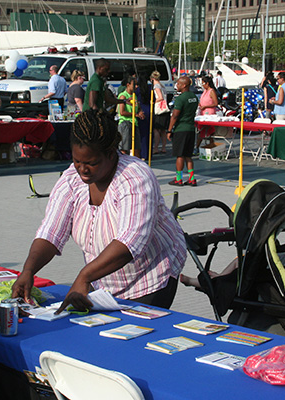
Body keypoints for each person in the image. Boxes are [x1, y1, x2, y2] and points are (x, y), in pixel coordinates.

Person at [11, 109, 186, 311]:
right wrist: (28, 270)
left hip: (151, 275)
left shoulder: (135, 178)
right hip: (103, 278)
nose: (82, 169)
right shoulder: (71, 180)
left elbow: (131, 241)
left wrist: (84, 276)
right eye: (77, 161)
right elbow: (50, 232)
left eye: (91, 163)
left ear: (111, 155)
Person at [167, 76, 199, 186]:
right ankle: (192, 178)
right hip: (191, 128)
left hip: (181, 129)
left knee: (179, 155)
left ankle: (178, 178)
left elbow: (175, 115)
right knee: (188, 155)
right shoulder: (194, 97)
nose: (177, 85)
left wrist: (169, 130)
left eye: (179, 84)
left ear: (184, 85)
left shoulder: (180, 99)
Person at [117, 76, 145, 157]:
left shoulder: (134, 96)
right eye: (134, 85)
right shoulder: (123, 96)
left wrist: (140, 112)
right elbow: (122, 112)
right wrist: (135, 114)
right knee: (125, 148)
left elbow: (138, 107)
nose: (136, 86)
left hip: (134, 123)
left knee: (137, 148)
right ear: (128, 84)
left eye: (137, 84)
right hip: (125, 123)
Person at [195, 76, 219, 153]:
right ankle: (197, 147)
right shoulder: (204, 91)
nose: (203, 85)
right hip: (203, 113)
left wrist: (206, 106)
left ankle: (211, 147)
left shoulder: (211, 91)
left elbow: (215, 103)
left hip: (210, 113)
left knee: (210, 132)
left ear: (207, 83)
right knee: (201, 131)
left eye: (203, 83)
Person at [151, 70, 169, 154]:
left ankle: (156, 147)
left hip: (159, 109)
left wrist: (153, 101)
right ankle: (164, 147)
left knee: (156, 129)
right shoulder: (162, 85)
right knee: (163, 130)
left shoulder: (156, 86)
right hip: (165, 109)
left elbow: (160, 97)